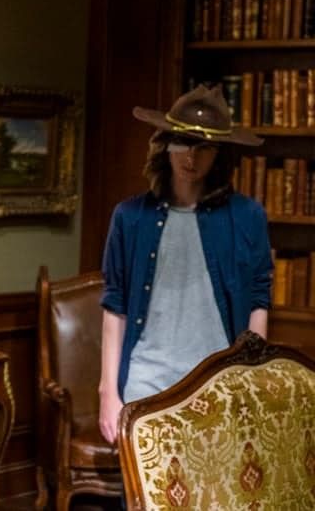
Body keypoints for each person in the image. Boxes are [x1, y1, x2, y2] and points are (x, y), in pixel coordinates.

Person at [97, 84, 273, 445]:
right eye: (182, 143)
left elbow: (259, 299)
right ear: (165, 144)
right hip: (147, 383)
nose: (191, 156)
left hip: (221, 384)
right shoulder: (130, 217)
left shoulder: (247, 216)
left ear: (220, 153)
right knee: (145, 484)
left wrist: (251, 379)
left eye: (204, 146)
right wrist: (108, 392)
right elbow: (115, 307)